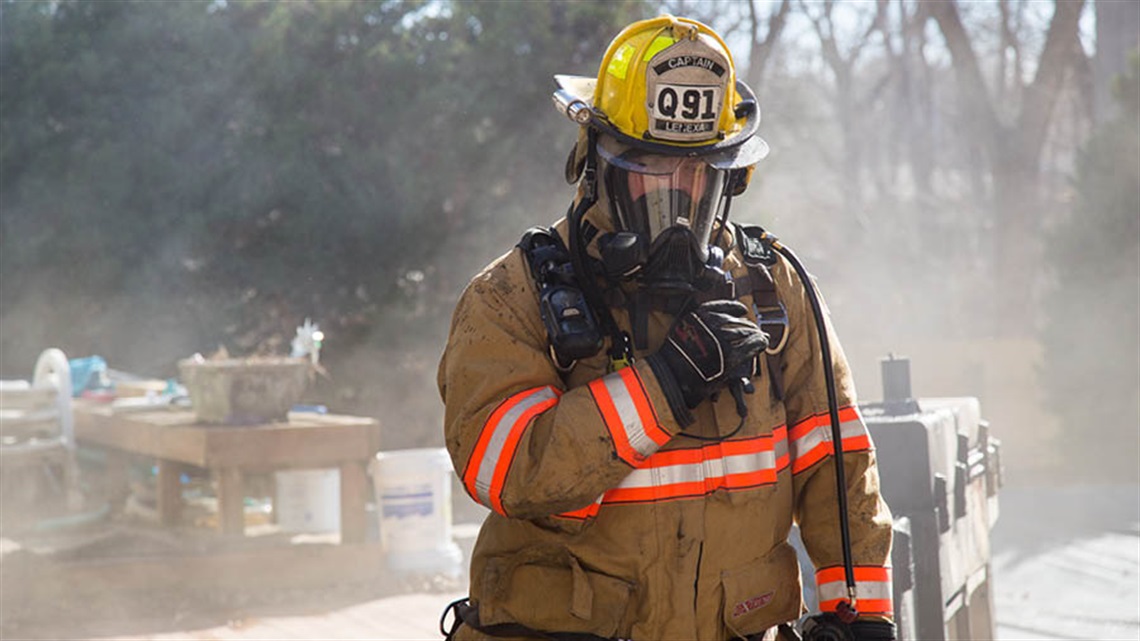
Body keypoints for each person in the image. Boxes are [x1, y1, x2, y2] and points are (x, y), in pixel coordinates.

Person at [438, 15, 895, 641]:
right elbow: (504, 468)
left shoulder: (774, 290)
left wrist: (861, 612)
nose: (679, 193)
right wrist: (666, 385)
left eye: (701, 170)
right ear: (596, 165)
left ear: (729, 176)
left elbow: (836, 464)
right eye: (652, 165)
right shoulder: (513, 297)